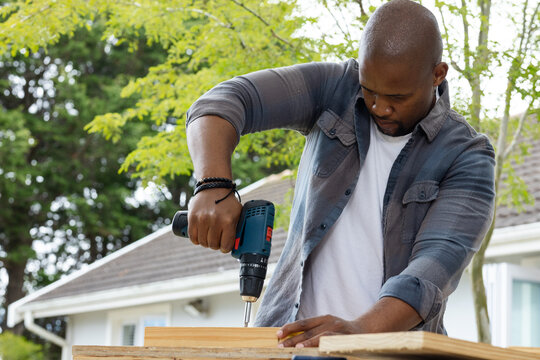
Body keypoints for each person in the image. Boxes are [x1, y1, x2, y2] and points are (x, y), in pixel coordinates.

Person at [184, 0, 495, 348]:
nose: (378, 107)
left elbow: (432, 269)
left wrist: (358, 331)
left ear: (438, 74)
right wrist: (213, 184)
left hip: (389, 351)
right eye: (370, 90)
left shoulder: (468, 155)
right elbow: (224, 101)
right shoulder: (335, 88)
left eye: (396, 97)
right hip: (285, 343)